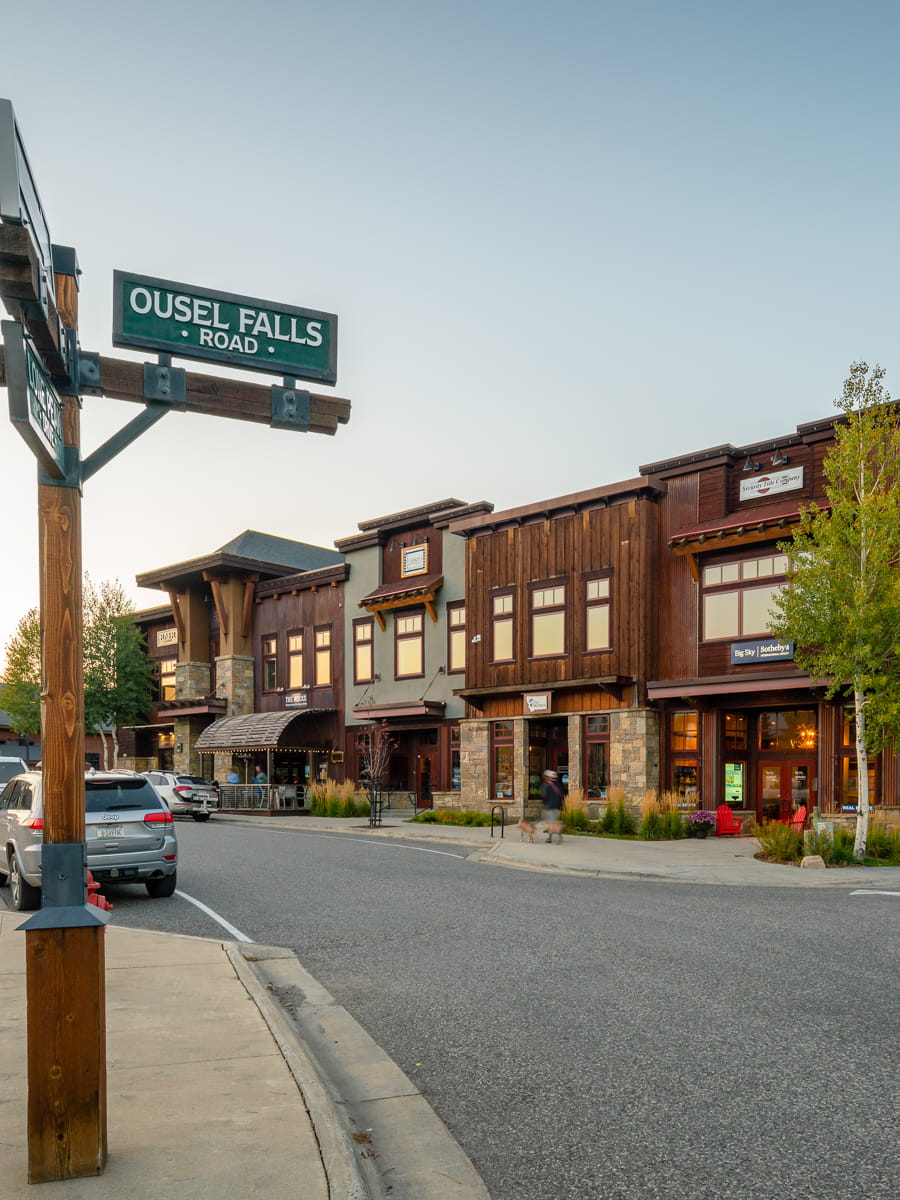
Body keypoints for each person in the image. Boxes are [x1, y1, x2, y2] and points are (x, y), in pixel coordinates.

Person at [540, 769, 564, 844]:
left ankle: (553, 837)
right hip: (557, 807)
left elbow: (544, 795)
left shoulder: (546, 785)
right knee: (553, 822)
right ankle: (555, 836)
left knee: (550, 823)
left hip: (548, 807)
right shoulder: (558, 785)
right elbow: (561, 796)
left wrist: (543, 803)